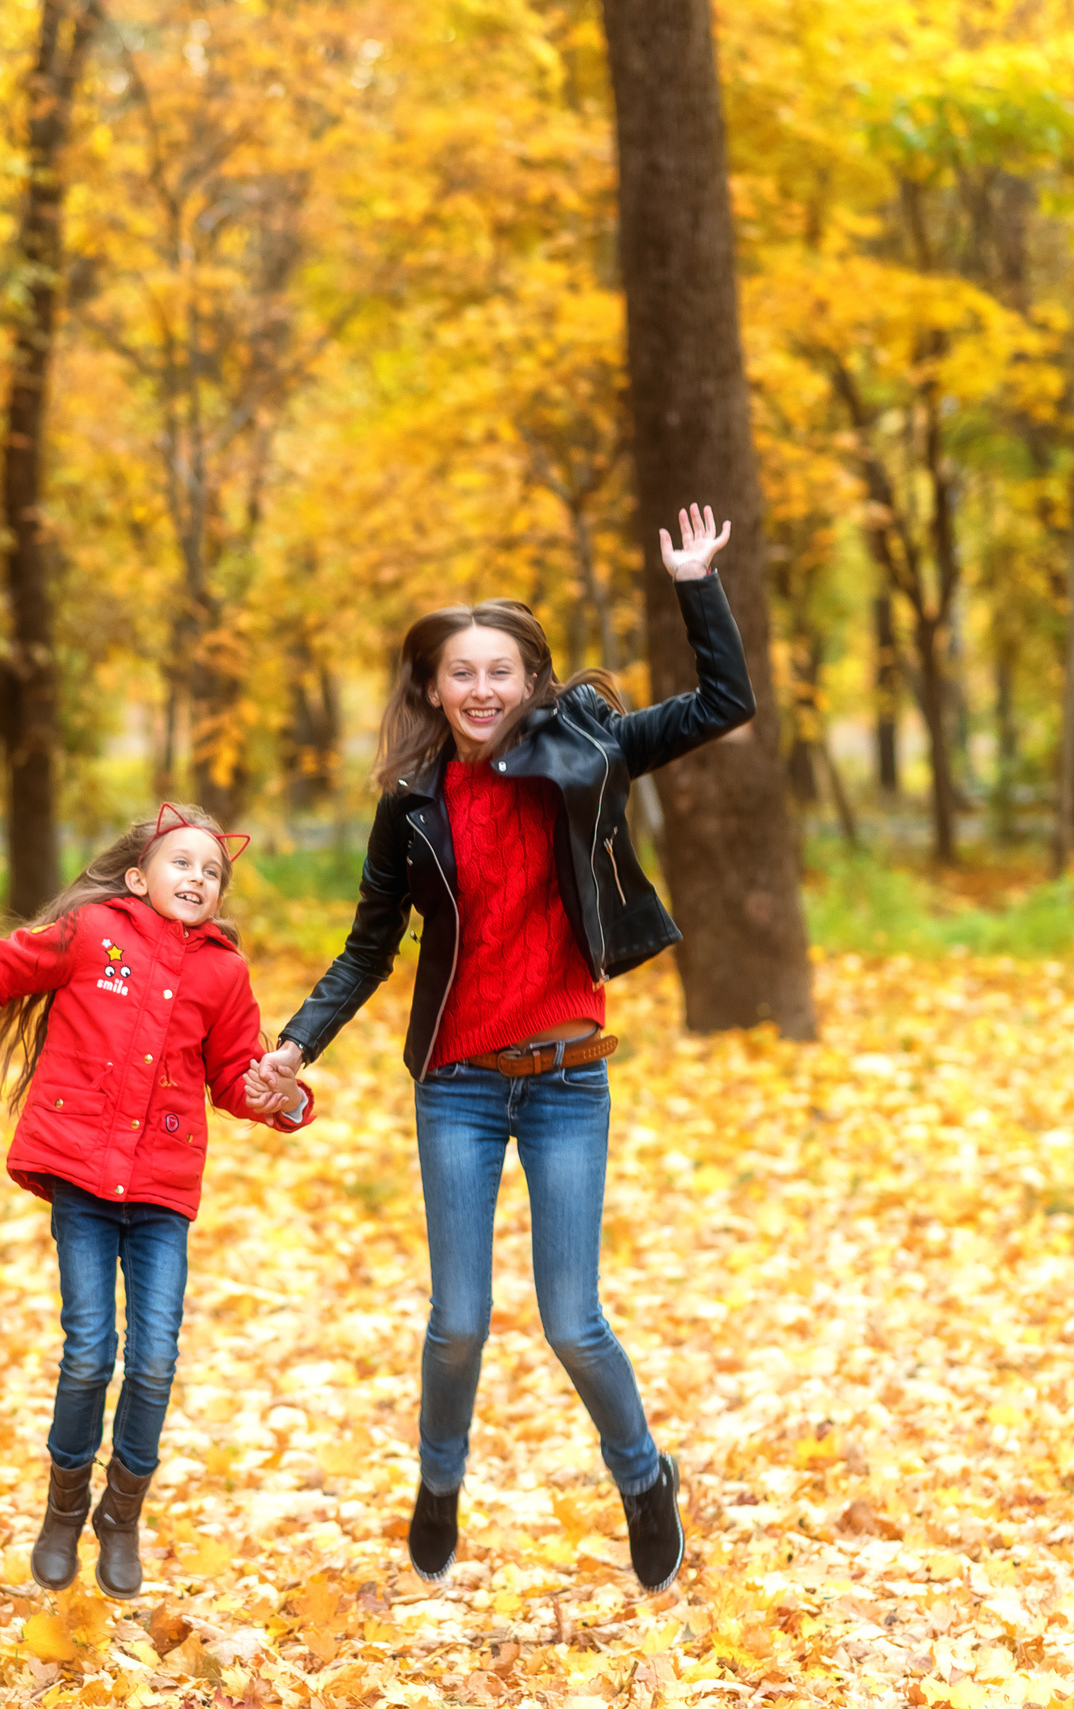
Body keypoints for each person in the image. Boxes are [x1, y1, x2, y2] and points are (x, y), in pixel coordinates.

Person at [245, 505, 752, 1595]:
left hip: (567, 1081)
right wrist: (296, 1043)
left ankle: (643, 1477)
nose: (481, 689)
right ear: (432, 688)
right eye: (461, 673)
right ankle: (439, 1481)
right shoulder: (411, 805)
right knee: (457, 1323)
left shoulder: (593, 751)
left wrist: (694, 585)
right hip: (459, 1088)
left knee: (573, 1322)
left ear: (529, 679)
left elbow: (724, 702)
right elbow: (368, 946)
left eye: (500, 671)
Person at [0, 805, 316, 1599]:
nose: (198, 878)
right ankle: (64, 1505)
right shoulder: (92, 933)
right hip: (81, 1178)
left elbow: (234, 1077)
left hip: (161, 1193)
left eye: (212, 872)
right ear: (139, 877)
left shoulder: (224, 972)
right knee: (89, 1349)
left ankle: (121, 1514)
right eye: (182, 863)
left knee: (154, 1357)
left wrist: (276, 1095)